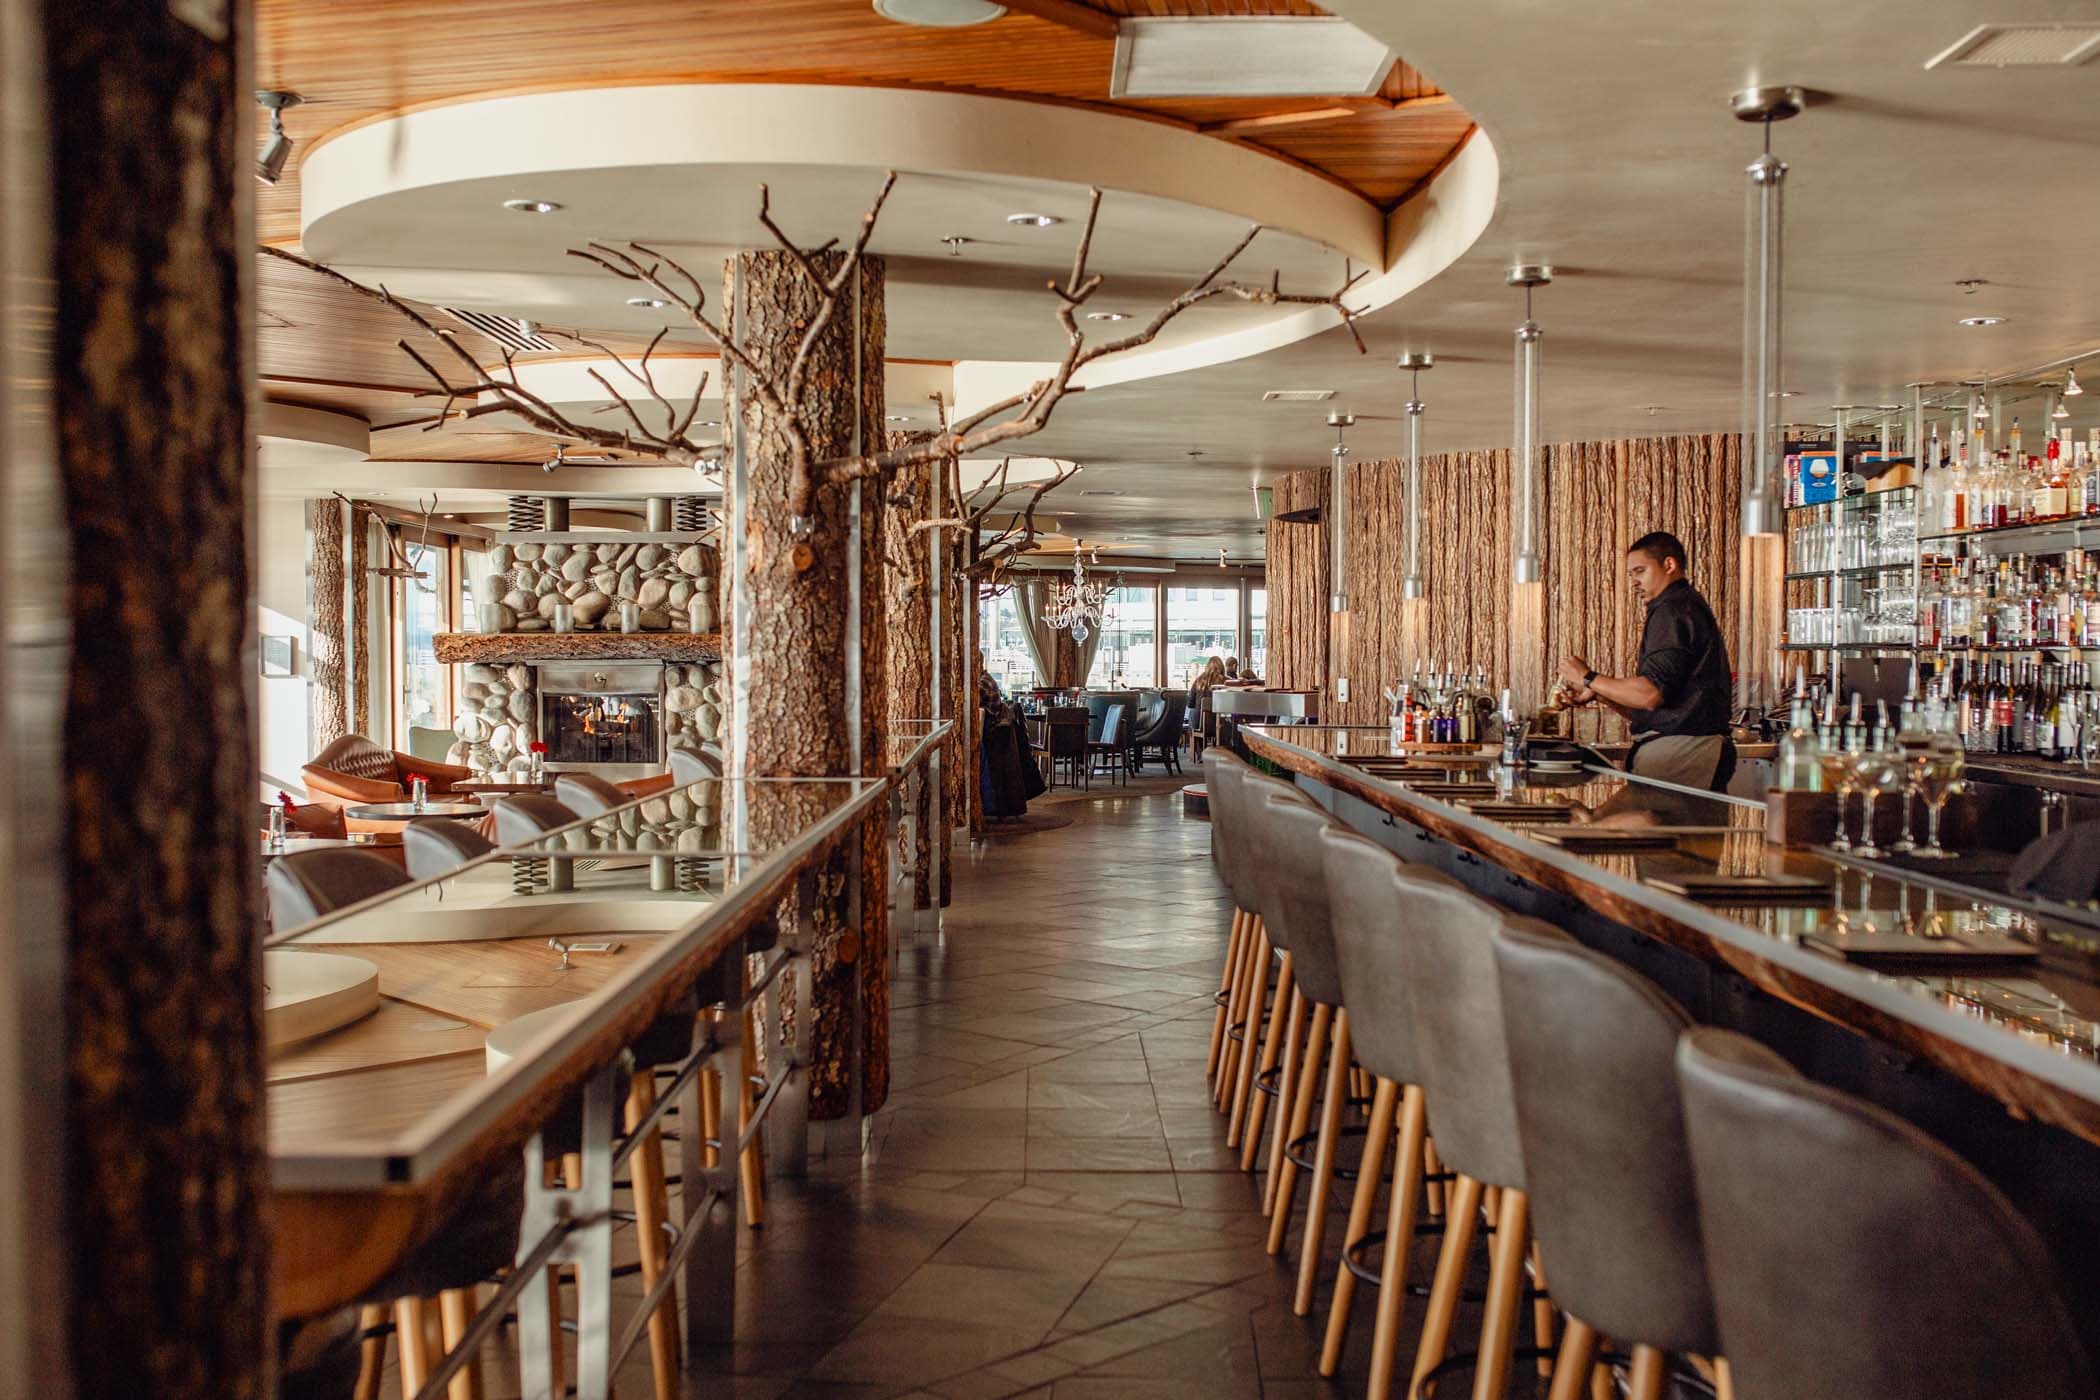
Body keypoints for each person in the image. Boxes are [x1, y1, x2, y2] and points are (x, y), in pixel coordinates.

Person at [1556, 530, 1736, 792]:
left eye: (1640, 571)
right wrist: (1599, 693)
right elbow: (1660, 706)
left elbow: (1650, 694)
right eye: (1631, 575)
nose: (1634, 582)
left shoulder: (1673, 610)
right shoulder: (1680, 606)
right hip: (1682, 749)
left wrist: (1587, 677)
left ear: (1669, 564)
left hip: (1681, 751)